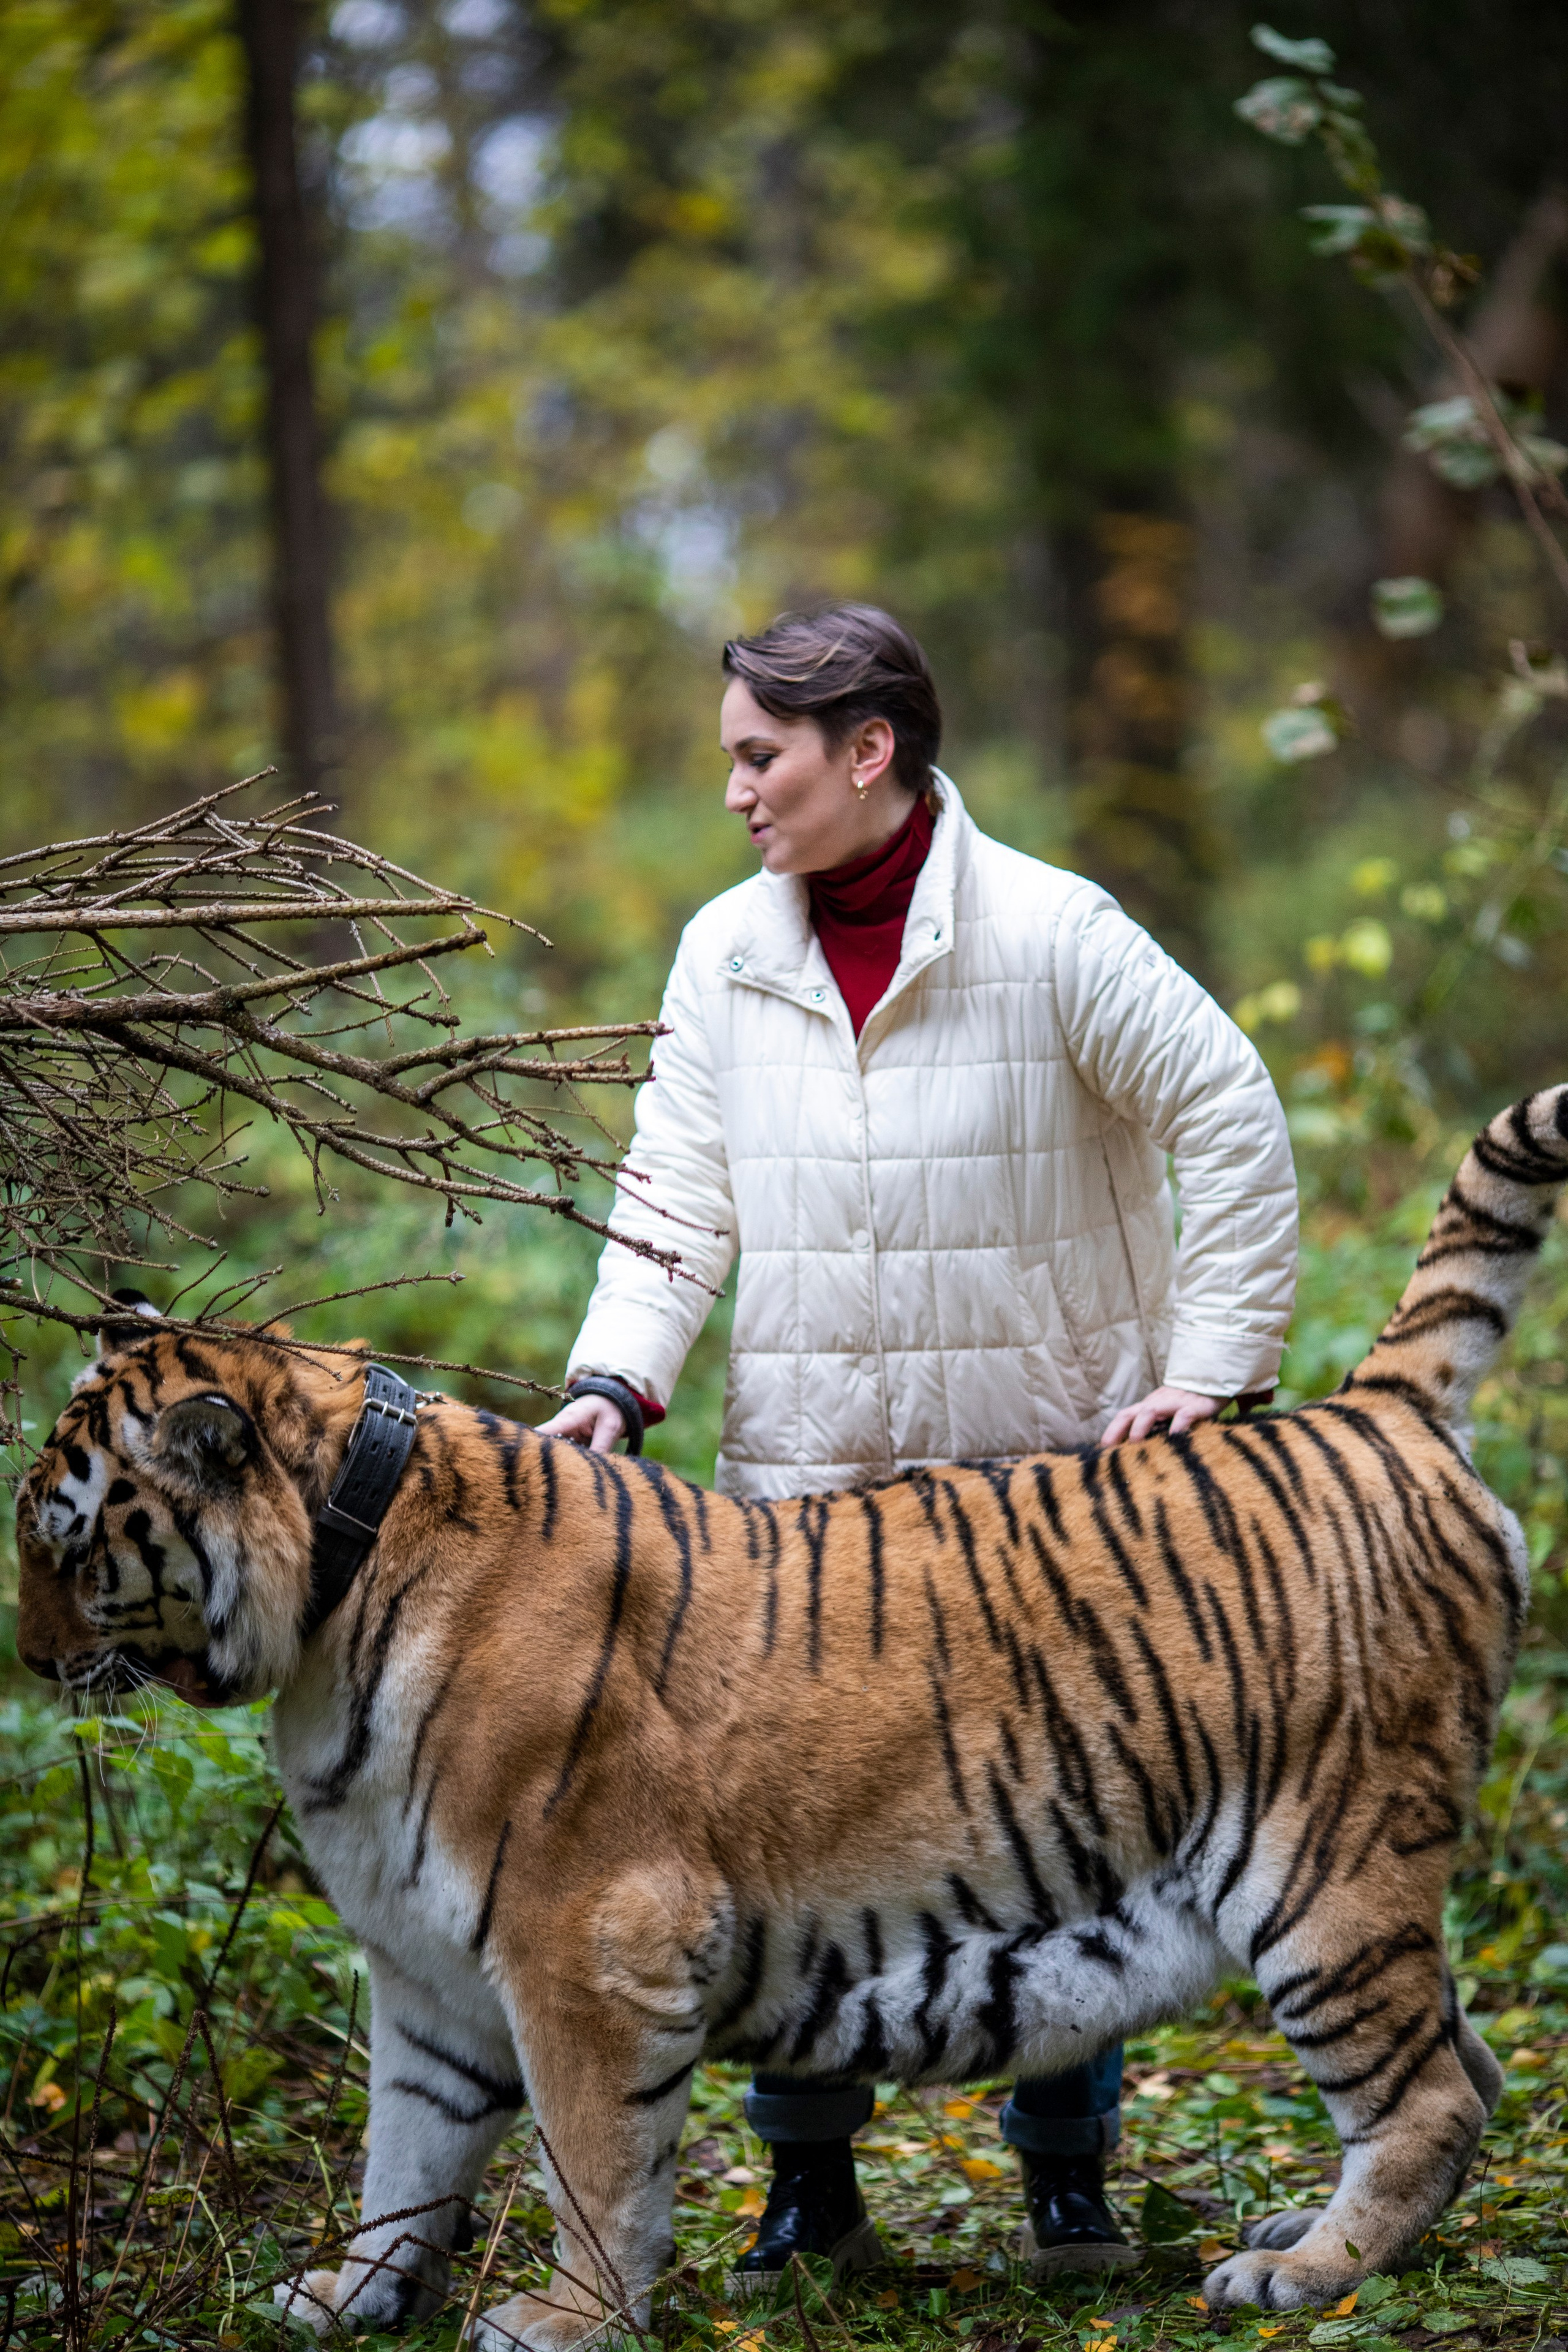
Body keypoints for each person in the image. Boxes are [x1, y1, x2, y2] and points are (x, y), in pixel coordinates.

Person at [538, 605, 1297, 2282]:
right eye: (732, 758)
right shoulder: (725, 952)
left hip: (1043, 1496)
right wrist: (618, 1382)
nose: (735, 790)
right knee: (787, 1828)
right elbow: (676, 1190)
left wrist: (1211, 1372)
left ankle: (1069, 2178)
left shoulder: (1053, 931)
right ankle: (809, 2190)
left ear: (868, 748)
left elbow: (1230, 1111)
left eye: (762, 756)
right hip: (805, 1503)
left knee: (1061, 1824)